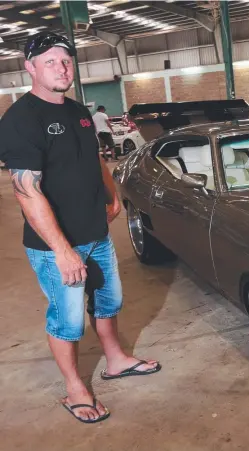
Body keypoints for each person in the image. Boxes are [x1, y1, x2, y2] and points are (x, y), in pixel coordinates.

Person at [0, 31, 160, 424]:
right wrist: (62, 250)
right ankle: (74, 388)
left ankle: (117, 359)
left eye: (66, 60)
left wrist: (112, 197)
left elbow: (95, 160)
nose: (61, 67)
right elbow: (26, 191)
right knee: (67, 320)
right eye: (50, 61)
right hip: (56, 246)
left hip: (97, 235)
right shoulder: (20, 120)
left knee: (108, 304)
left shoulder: (79, 112)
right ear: (30, 68)